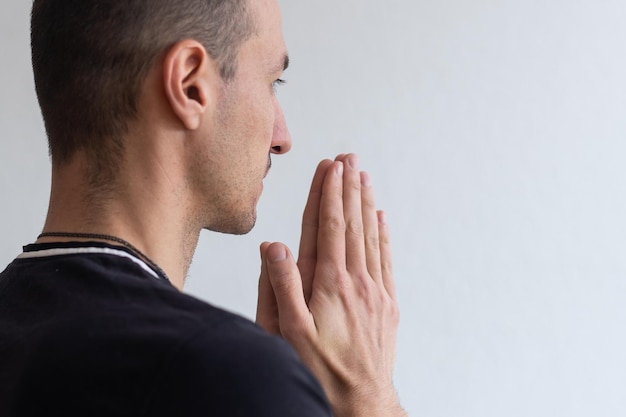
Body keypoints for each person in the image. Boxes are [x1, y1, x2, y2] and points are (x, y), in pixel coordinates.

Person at [0, 0, 407, 416]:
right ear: (190, 85)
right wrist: (365, 393)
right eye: (273, 82)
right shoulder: (221, 375)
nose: (283, 138)